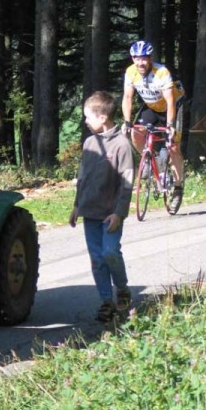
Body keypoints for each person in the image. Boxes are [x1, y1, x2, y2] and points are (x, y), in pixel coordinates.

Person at [69, 91, 134, 322]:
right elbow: (82, 177)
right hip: (90, 211)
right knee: (97, 258)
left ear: (103, 116)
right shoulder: (89, 143)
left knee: (110, 252)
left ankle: (123, 288)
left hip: (110, 214)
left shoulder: (122, 145)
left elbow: (126, 184)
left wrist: (119, 212)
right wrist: (77, 205)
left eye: (88, 116)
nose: (85, 121)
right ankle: (106, 301)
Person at [121, 40, 186, 213]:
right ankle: (153, 160)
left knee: (173, 147)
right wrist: (127, 122)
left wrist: (170, 125)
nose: (140, 62)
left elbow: (171, 101)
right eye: (136, 58)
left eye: (143, 59)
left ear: (149, 59)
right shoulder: (131, 72)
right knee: (136, 133)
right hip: (151, 106)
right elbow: (127, 98)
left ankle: (178, 187)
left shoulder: (161, 73)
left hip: (171, 107)